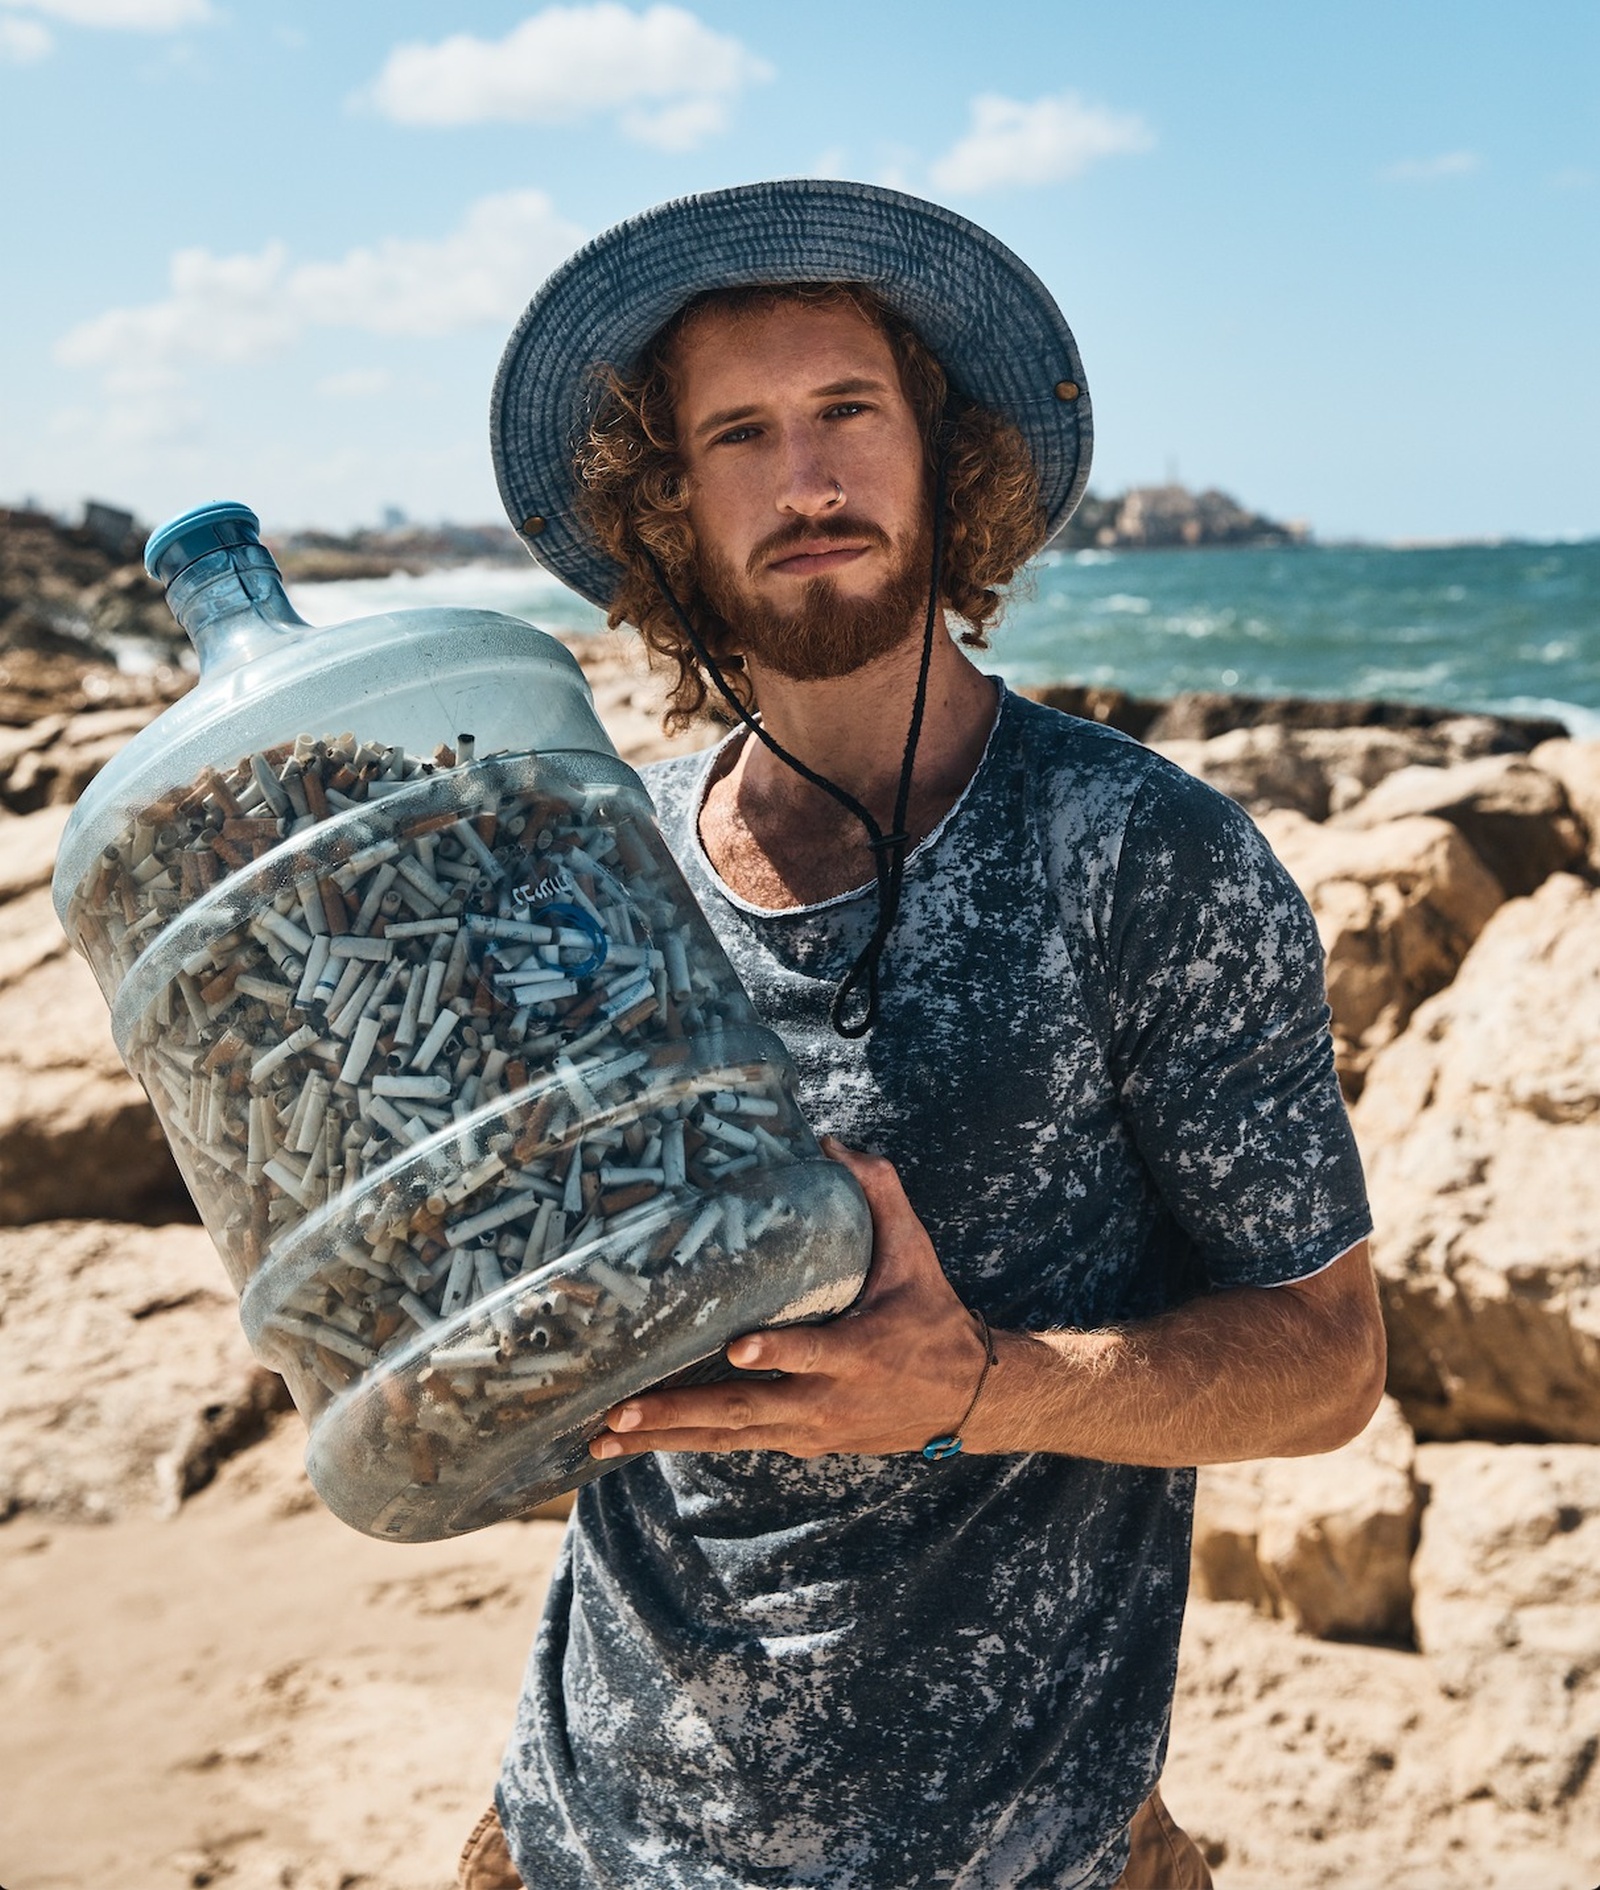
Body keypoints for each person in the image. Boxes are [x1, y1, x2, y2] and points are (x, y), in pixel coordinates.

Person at [462, 180, 1385, 1890]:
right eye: (739, 433)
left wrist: (975, 1386)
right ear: (671, 507)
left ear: (937, 456)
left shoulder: (1141, 857)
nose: (805, 479)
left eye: (846, 413)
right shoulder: (607, 878)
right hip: (584, 1835)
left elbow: (1330, 1359)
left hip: (1019, 1856)